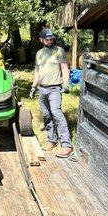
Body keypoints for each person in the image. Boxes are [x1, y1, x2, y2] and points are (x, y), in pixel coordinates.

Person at [29, 28, 73, 158]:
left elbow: (65, 69)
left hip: (55, 88)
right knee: (47, 115)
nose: (49, 41)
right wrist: (33, 86)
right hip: (42, 89)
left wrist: (65, 84)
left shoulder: (59, 51)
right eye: (47, 39)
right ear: (41, 40)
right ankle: (51, 140)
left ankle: (66, 145)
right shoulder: (39, 53)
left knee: (56, 113)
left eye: (51, 39)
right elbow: (37, 71)